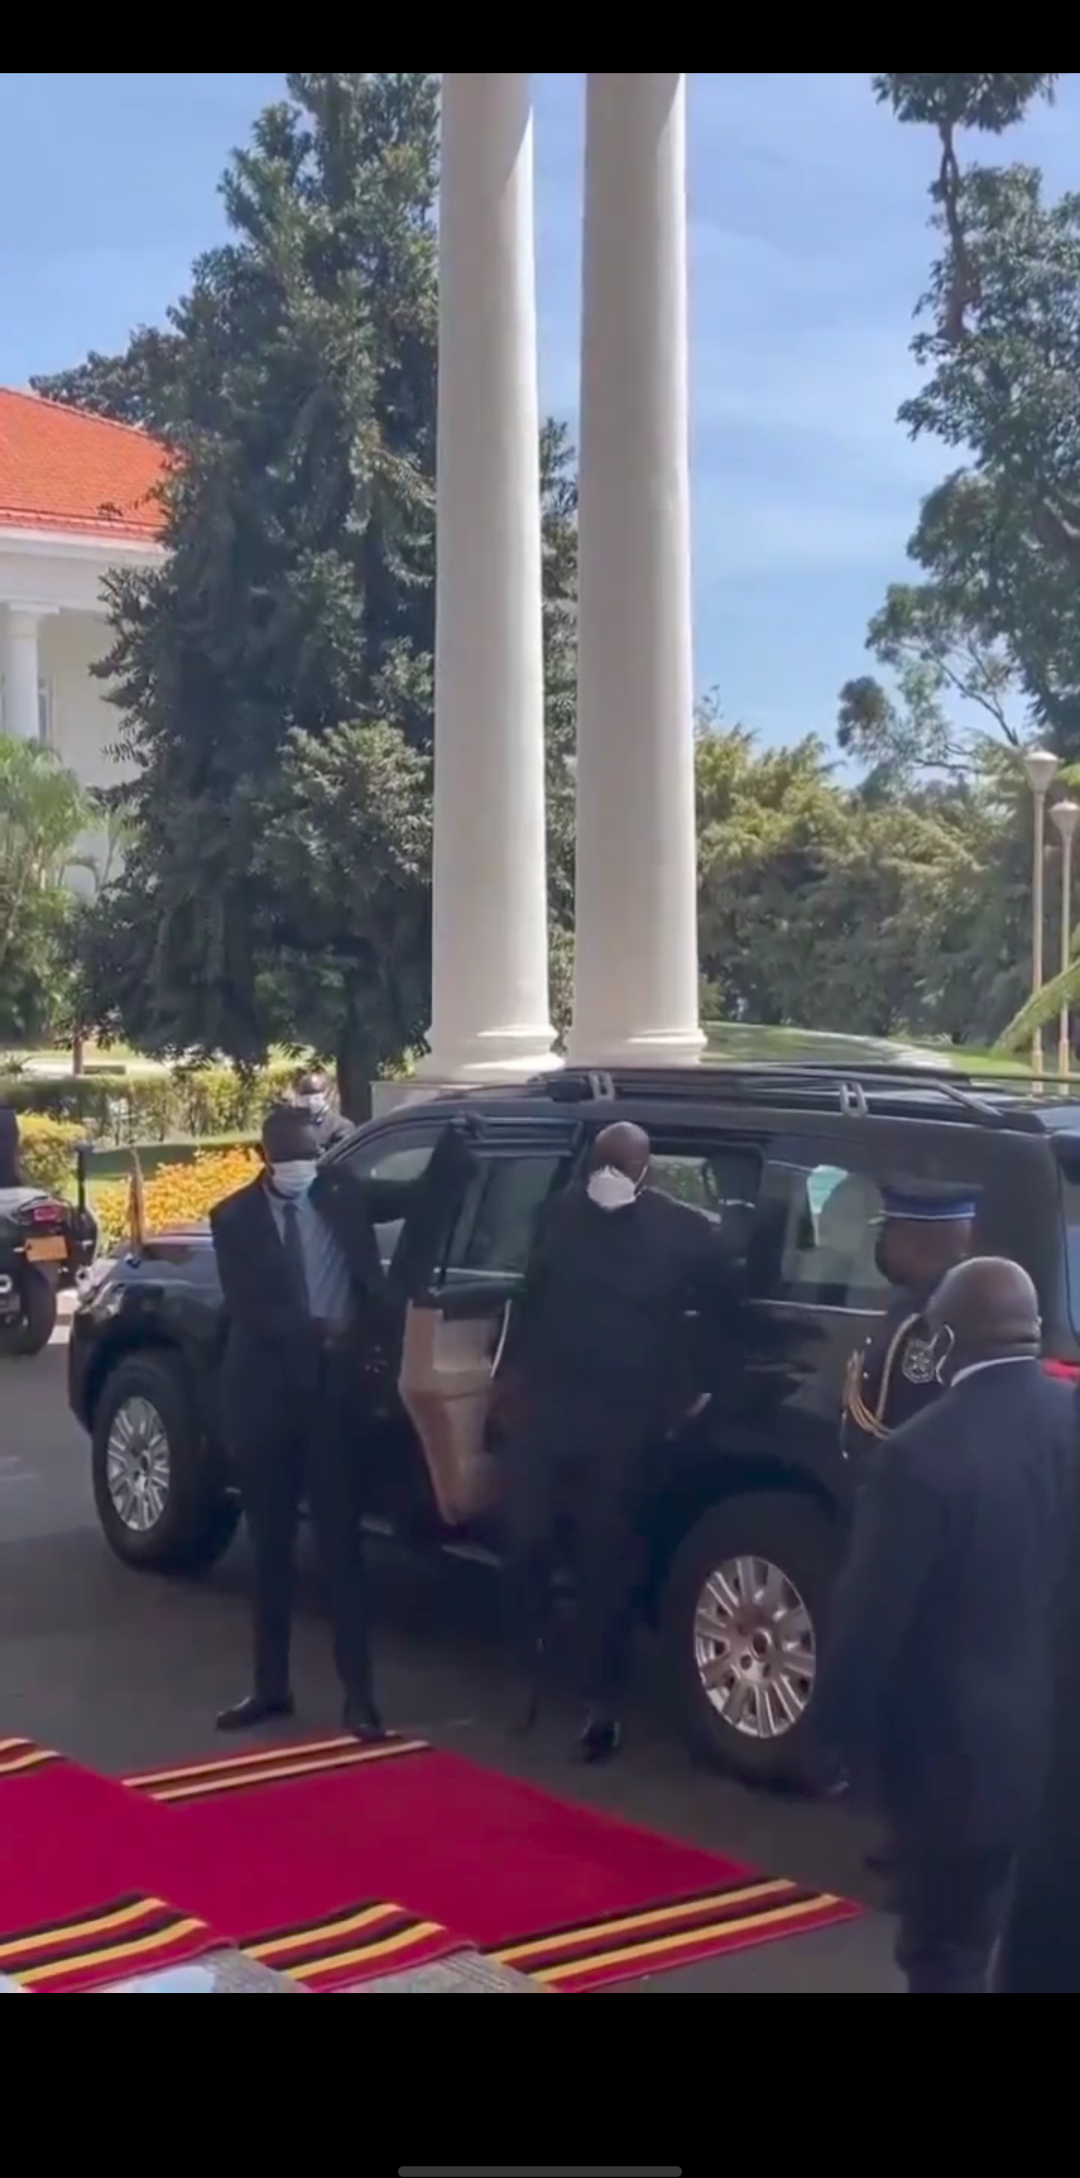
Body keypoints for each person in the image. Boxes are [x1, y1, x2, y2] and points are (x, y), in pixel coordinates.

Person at [815, 1257, 1072, 1994]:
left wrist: (835, 1745)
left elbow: (870, 1622)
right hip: (1061, 1756)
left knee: (947, 1953)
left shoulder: (916, 1455)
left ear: (946, 1341)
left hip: (963, 1765)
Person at [502, 1121, 733, 1765]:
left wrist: (694, 1390)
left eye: (621, 1167)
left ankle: (602, 1704)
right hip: (551, 1411)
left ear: (645, 1172)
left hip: (625, 1424)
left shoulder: (683, 1232)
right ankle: (534, 1668)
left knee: (605, 1562)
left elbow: (721, 1318)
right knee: (526, 1540)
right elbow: (531, 1299)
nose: (608, 1177)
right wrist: (510, 1376)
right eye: (601, 1165)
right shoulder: (558, 1216)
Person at [210, 1103, 385, 1741]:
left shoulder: (341, 1193)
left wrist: (456, 1155)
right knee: (271, 1550)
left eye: (310, 1156)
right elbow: (253, 1309)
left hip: (332, 1401)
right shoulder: (233, 1218)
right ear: (265, 1159)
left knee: (341, 1550)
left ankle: (360, 1699)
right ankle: (271, 1687)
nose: (301, 1169)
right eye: (289, 1159)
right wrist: (319, 1330)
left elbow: (410, 1196)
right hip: (266, 1401)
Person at [840, 1180, 977, 1459]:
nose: (881, 1244)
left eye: (888, 1233)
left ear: (915, 1246)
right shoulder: (926, 1304)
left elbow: (907, 1424)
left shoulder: (926, 1322)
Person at [291, 1069, 352, 1156]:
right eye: (304, 1096)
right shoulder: (292, 1125)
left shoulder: (341, 1126)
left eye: (315, 1095)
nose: (310, 1101)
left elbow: (340, 1157)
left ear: (325, 1094)